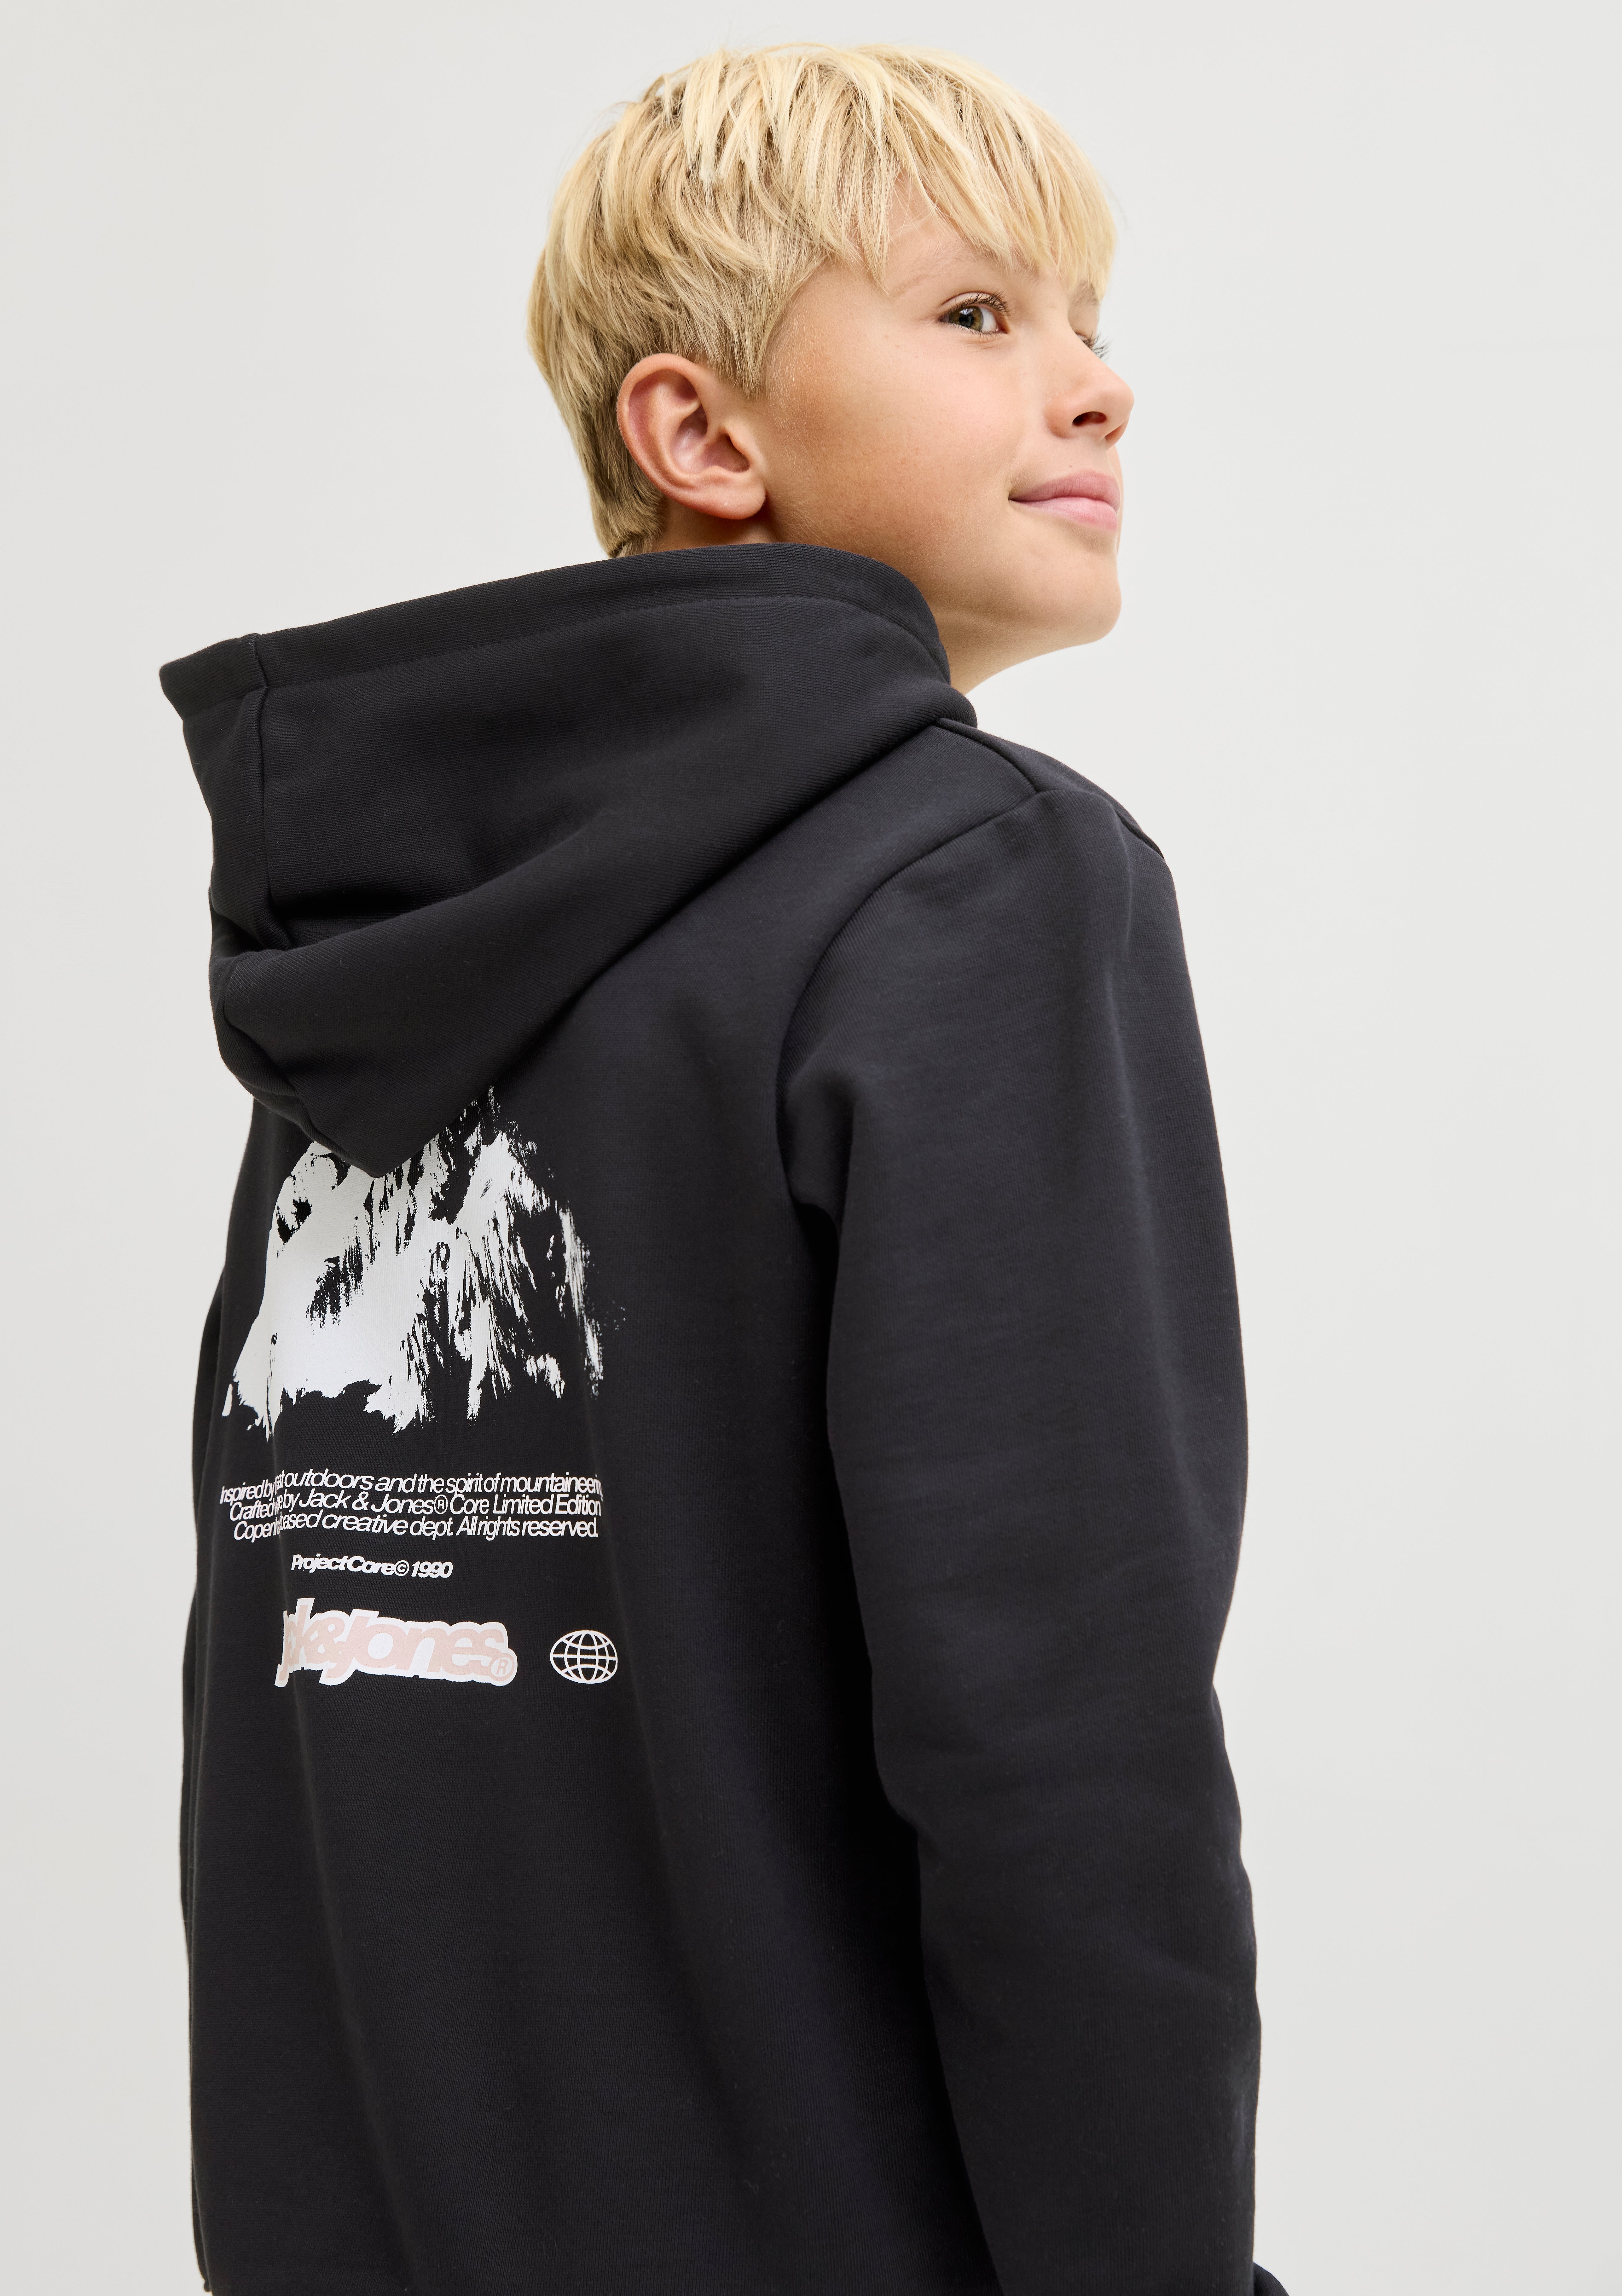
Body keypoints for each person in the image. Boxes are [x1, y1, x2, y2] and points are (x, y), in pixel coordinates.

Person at [161, 43, 1285, 2296]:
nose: (1097, 384)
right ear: (700, 435)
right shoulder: (975, 883)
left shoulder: (401, 948)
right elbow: (1056, 1737)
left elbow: (287, 1722)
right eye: (976, 313)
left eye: (1087, 316)